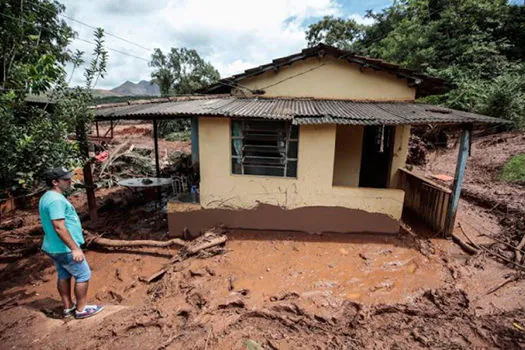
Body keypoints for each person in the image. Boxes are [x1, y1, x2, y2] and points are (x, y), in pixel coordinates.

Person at [39, 167, 103, 319]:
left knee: (64, 274)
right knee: (83, 274)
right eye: (66, 179)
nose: (70, 181)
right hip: (64, 248)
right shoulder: (55, 200)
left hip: (53, 246)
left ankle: (68, 307)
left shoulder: (47, 197)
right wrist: (74, 248)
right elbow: (59, 227)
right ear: (55, 182)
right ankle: (81, 309)